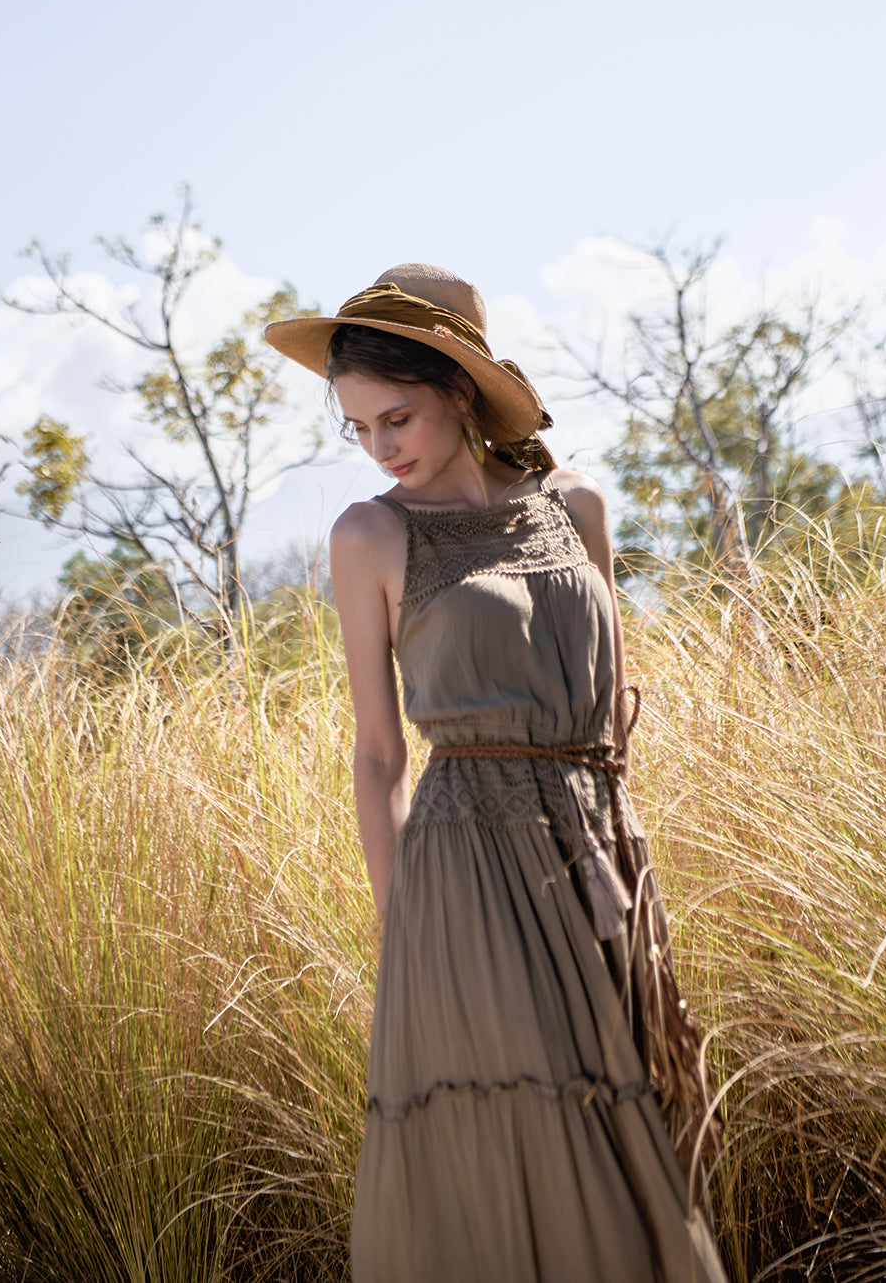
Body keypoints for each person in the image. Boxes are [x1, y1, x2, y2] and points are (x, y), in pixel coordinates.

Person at [265, 264, 727, 1283]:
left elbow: (612, 708)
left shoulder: (577, 507)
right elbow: (379, 751)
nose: (382, 449)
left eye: (398, 418)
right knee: (525, 1114)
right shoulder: (370, 535)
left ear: (461, 393)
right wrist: (404, 926)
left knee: (631, 1106)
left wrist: (623, 852)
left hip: (597, 844)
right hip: (463, 871)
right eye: (359, 430)